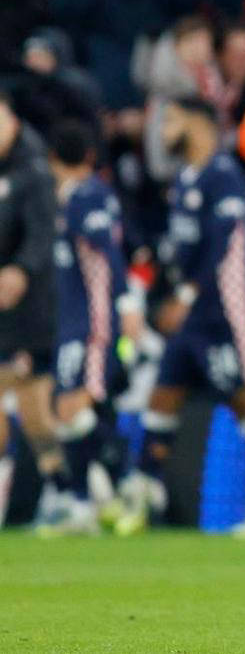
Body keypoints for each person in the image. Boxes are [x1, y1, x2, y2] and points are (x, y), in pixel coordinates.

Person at [117, 97, 245, 539]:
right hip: (191, 313)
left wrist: (186, 295)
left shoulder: (223, 175)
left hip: (223, 310)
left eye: (172, 120)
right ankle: (142, 494)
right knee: (163, 396)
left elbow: (222, 241)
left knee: (244, 398)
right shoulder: (185, 178)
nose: (162, 130)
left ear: (198, 124)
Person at [42, 121, 142, 535]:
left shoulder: (88, 196)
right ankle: (83, 506)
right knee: (69, 410)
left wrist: (126, 303)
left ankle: (127, 478)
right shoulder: (74, 197)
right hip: (73, 321)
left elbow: (109, 253)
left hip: (92, 323)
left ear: (53, 159)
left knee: (71, 405)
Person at [0, 92, 70, 528]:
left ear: (11, 119)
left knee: (35, 412)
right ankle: (68, 491)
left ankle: (71, 492)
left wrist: (21, 269)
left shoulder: (34, 172)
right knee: (35, 415)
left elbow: (43, 234)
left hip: (27, 313)